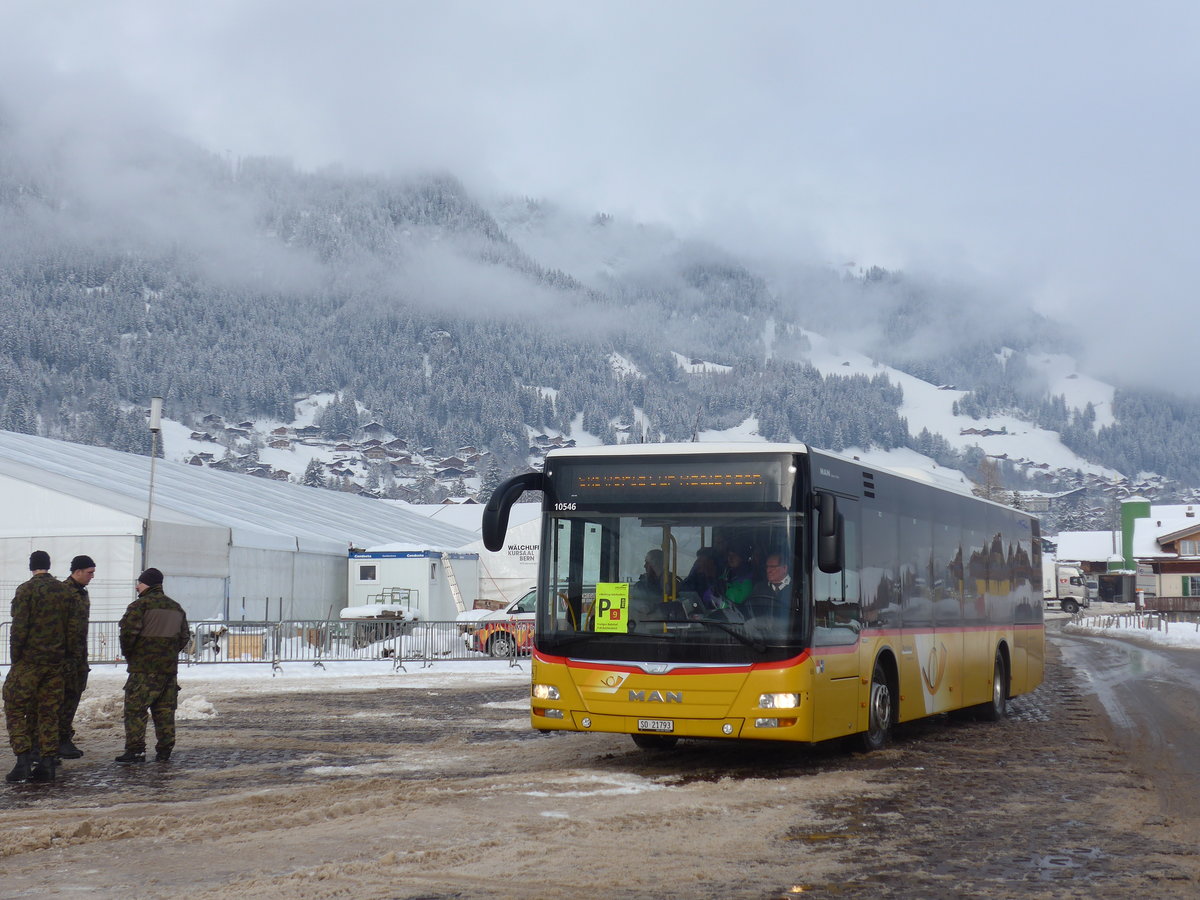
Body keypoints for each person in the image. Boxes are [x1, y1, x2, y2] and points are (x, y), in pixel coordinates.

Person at [4, 551, 76, 783]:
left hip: (29, 662)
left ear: (31, 566)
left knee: (14, 706)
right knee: (49, 712)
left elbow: (19, 628)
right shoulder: (65, 592)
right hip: (55, 663)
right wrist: (67, 658)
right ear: (48, 565)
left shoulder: (26, 590)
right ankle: (47, 763)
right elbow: (73, 630)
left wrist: (16, 658)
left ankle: (23, 760)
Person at [116, 568, 191, 765]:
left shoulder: (139, 606)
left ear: (147, 584)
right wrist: (167, 653)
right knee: (165, 711)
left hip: (143, 670)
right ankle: (165, 750)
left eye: (139, 583)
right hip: (168, 671)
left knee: (135, 710)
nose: (136, 587)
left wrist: (132, 656)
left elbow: (128, 635)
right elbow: (184, 637)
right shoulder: (176, 608)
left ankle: (136, 750)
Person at [57, 555, 95, 760]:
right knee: (61, 700)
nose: (92, 576)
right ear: (77, 571)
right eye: (89, 572)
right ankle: (56, 740)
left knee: (72, 699)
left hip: (78, 658)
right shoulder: (63, 592)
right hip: (65, 658)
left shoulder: (82, 594)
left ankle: (63, 737)